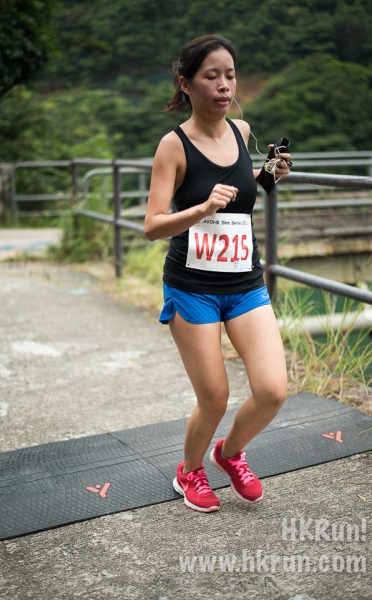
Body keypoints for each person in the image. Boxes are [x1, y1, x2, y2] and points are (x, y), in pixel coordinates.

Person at [144, 34, 292, 513]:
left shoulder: (242, 131)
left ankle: (229, 454)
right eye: (212, 76)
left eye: (230, 74)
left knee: (272, 390)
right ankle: (189, 472)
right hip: (192, 288)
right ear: (187, 84)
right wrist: (201, 209)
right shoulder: (173, 146)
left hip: (244, 282)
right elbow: (152, 225)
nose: (225, 85)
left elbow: (242, 190)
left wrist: (270, 175)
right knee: (214, 398)